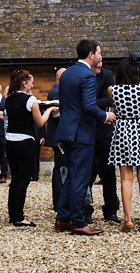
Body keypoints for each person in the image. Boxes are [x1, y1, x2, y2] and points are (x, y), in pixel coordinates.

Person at [54, 39, 116, 236]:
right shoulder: (87, 76)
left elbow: (65, 105)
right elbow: (88, 106)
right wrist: (106, 115)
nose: (100, 56)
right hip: (82, 133)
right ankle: (79, 222)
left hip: (67, 131)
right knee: (80, 178)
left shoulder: (67, 74)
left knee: (72, 176)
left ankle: (63, 218)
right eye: (99, 53)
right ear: (91, 55)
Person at [107, 54, 140, 233]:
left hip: (122, 132)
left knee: (125, 179)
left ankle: (128, 219)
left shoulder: (112, 90)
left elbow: (113, 109)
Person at [4, 69, 57, 227]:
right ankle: (19, 217)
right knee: (23, 180)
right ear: (24, 83)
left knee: (15, 179)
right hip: (25, 142)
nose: (33, 85)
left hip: (10, 142)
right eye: (31, 82)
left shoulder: (9, 99)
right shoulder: (31, 100)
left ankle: (13, 214)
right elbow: (40, 122)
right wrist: (49, 110)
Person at [85, 59, 120, 223]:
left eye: (101, 62)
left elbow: (109, 100)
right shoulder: (84, 75)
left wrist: (90, 104)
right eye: (97, 62)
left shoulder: (106, 75)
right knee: (88, 174)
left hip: (105, 131)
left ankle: (111, 210)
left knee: (108, 174)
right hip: (87, 131)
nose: (100, 65)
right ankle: (85, 210)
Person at [45, 67, 65, 212]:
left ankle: (59, 200)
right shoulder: (57, 92)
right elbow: (57, 117)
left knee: (60, 167)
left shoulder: (57, 91)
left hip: (58, 135)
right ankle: (58, 202)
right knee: (59, 168)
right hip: (58, 136)